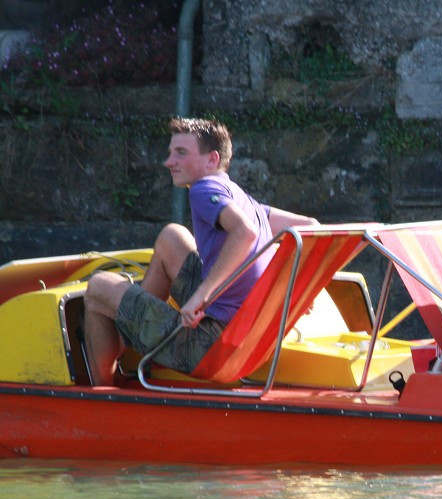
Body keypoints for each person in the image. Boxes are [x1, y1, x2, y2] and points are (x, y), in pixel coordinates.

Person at [83, 117, 319, 386]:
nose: (169, 162)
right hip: (250, 340)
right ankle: (132, 327)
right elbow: (311, 226)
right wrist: (306, 288)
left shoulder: (203, 189)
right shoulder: (241, 197)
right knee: (173, 236)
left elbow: (245, 233)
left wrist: (200, 298)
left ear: (212, 159)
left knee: (98, 288)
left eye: (181, 153)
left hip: (212, 347)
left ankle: (103, 393)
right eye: (171, 153)